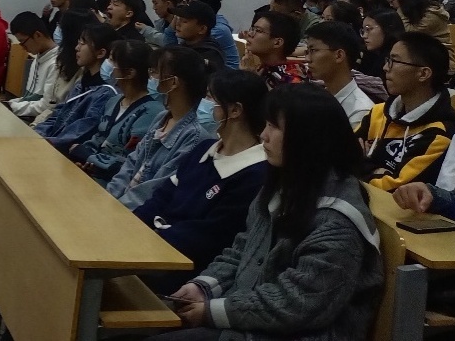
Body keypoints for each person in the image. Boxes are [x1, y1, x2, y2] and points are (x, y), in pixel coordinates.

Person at [157, 84, 383, 341]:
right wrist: (203, 287)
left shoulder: (337, 222)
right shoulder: (284, 187)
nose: (263, 135)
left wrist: (213, 312)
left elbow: (298, 303)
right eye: (266, 124)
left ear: (307, 138)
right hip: (252, 322)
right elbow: (243, 250)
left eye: (274, 127)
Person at [132, 71, 269, 295]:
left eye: (210, 98)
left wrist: (148, 240)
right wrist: (132, 226)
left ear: (235, 110)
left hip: (183, 271)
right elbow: (161, 197)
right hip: (148, 248)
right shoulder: (203, 149)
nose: (204, 104)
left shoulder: (256, 174)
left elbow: (208, 236)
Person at [108, 46, 211, 209]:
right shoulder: (162, 118)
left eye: (155, 72)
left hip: (138, 213)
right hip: (120, 204)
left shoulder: (195, 137)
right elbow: (132, 161)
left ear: (173, 82)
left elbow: (156, 188)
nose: (150, 77)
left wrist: (116, 208)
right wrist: (109, 196)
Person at [358, 32, 455, 191]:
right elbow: (340, 155)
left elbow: (397, 189)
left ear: (423, 74)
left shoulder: (440, 134)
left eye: (394, 61)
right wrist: (375, 170)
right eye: (387, 60)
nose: (385, 68)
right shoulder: (378, 112)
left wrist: (361, 162)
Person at [69, 41, 163, 184]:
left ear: (130, 73)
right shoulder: (114, 101)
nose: (106, 64)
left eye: (112, 60)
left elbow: (130, 162)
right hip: (90, 175)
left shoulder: (152, 111)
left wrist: (87, 156)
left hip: (115, 185)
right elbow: (97, 139)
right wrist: (84, 160)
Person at [33, 23, 118, 152]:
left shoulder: (105, 93)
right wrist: (36, 133)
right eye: (78, 42)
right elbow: (58, 113)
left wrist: (42, 143)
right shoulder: (82, 82)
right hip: (51, 144)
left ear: (100, 53)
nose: (77, 48)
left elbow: (78, 134)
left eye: (83, 43)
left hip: (66, 153)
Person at [303, 21, 372, 127]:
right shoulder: (318, 97)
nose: (307, 59)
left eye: (313, 50)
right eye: (307, 51)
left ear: (339, 55)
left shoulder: (360, 111)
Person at [383, 0, 454, 64]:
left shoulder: (432, 13)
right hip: (417, 55)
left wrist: (400, 8)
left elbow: (408, 33)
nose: (391, 5)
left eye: (391, 1)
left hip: (439, 60)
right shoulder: (412, 10)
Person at [7, 12, 59, 121]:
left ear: (37, 35)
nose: (23, 47)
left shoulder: (55, 64)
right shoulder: (38, 58)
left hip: (38, 122)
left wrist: (12, 107)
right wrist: (9, 103)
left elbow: (46, 106)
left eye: (23, 42)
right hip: (27, 116)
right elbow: (30, 99)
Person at [240, 11, 307, 89]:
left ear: (277, 42)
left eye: (258, 30)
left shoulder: (290, 82)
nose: (249, 34)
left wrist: (248, 77)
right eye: (252, 29)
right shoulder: (261, 68)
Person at [186, 0, 240, 69]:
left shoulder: (218, 30)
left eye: (191, 5)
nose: (186, 8)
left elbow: (180, 50)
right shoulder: (211, 19)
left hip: (227, 73)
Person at [171, 0, 226, 74]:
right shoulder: (184, 46)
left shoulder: (210, 56)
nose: (178, 24)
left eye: (184, 21)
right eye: (178, 19)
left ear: (202, 29)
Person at [358, 7, 404, 78]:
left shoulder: (399, 60)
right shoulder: (367, 56)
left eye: (368, 29)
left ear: (387, 29)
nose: (364, 36)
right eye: (363, 31)